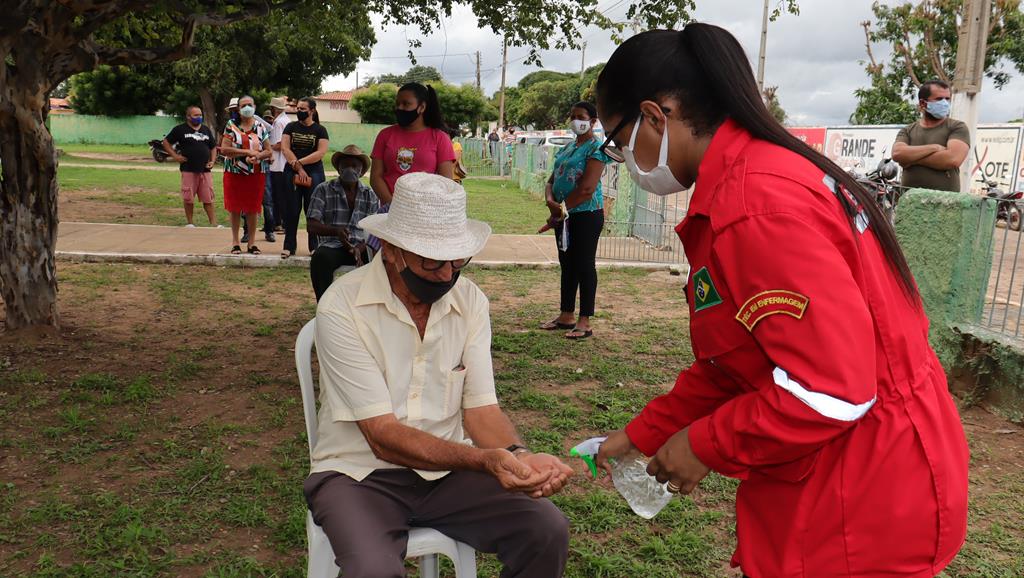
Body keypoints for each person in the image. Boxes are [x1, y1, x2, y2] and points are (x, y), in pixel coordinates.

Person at [591, 25, 968, 578]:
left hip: (860, 498)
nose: (623, 156)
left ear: (654, 116)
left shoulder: (755, 204)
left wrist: (704, 444)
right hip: (849, 476)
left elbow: (832, 388)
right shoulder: (759, 176)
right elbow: (736, 359)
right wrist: (642, 433)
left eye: (618, 140)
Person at [306, 172, 572, 578]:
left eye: (457, 259)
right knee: (373, 571)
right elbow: (382, 437)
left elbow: (482, 411)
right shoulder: (342, 306)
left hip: (449, 474)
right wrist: (484, 460)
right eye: (432, 260)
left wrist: (519, 457)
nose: (447, 274)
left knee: (546, 529)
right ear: (392, 250)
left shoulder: (470, 302)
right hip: (357, 474)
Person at [538, 102, 611, 340]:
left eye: (581, 116)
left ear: (593, 121)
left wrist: (560, 210)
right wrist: (551, 201)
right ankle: (566, 315)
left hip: (586, 215)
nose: (575, 121)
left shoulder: (596, 149)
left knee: (584, 265)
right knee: (567, 264)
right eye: (572, 116)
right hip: (564, 215)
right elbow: (552, 179)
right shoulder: (569, 147)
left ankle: (584, 321)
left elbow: (587, 189)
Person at [307, 145, 379, 301]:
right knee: (320, 259)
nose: (349, 169)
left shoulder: (370, 195)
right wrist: (336, 231)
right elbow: (311, 225)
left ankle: (369, 305)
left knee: (382, 261)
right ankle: (324, 305)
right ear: (338, 168)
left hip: (362, 247)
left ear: (362, 171)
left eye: (354, 166)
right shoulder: (323, 189)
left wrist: (359, 248)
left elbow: (375, 230)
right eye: (345, 165)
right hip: (333, 246)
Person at [369, 82, 455, 207]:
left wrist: (419, 209)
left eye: (406, 104)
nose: (400, 108)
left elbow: (445, 182)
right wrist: (392, 204)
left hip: (425, 210)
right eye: (397, 104)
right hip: (390, 210)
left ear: (422, 107)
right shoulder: (385, 135)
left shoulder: (440, 138)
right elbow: (375, 177)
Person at [892, 79, 971, 193]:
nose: (945, 103)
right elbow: (897, 153)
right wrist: (934, 148)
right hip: (909, 200)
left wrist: (911, 159)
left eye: (947, 99)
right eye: (939, 99)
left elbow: (952, 159)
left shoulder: (957, 127)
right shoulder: (908, 130)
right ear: (922, 103)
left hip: (945, 201)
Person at [219, 95, 271, 255]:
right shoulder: (231, 125)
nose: (247, 108)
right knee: (234, 207)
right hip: (234, 172)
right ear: (238, 109)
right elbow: (224, 149)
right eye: (243, 105)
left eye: (250, 104)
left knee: (252, 208)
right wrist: (247, 152)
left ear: (254, 107)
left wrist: (257, 156)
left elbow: (268, 151)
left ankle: (252, 243)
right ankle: (235, 242)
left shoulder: (260, 126)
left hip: (256, 173)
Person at [281, 97, 330, 258]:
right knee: (291, 209)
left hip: (314, 173)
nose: (299, 111)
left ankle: (314, 246)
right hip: (291, 172)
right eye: (298, 108)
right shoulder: (290, 127)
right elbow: (285, 148)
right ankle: (289, 246)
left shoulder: (320, 130)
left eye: (303, 109)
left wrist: (299, 163)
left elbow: (320, 152)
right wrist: (297, 168)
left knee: (313, 210)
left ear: (312, 111)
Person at [163, 105, 218, 228]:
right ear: (188, 117)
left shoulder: (205, 129)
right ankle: (190, 223)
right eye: (196, 115)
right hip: (188, 169)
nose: (199, 117)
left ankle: (214, 224)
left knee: (208, 198)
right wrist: (175, 156)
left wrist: (213, 161)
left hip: (205, 170)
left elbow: (213, 146)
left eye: (200, 115)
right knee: (188, 198)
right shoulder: (180, 129)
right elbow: (166, 142)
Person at [268, 97, 290, 236]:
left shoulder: (278, 122)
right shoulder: (287, 120)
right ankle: (280, 223)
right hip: (284, 164)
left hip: (277, 165)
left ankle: (280, 224)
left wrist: (266, 146)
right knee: (283, 196)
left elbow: (278, 144)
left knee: (278, 197)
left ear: (274, 109)